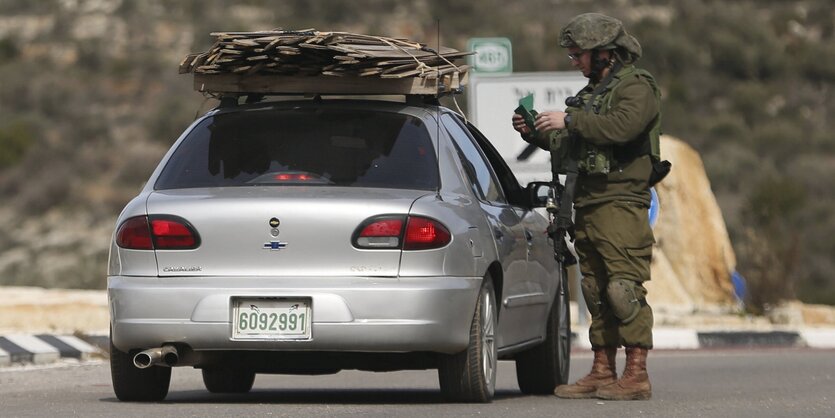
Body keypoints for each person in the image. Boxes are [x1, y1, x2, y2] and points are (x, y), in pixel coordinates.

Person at [512, 13, 661, 401]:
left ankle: (637, 374)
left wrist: (570, 120)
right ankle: (602, 369)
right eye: (572, 56)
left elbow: (621, 128)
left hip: (621, 201)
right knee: (595, 290)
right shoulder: (591, 94)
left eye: (579, 55)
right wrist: (537, 133)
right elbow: (574, 147)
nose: (575, 62)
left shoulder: (636, 87)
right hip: (587, 201)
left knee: (622, 288)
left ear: (604, 54)